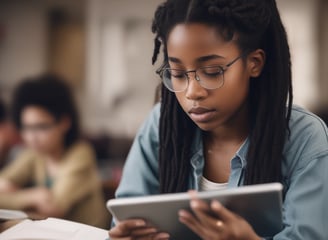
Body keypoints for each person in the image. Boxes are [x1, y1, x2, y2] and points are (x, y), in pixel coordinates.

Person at [108, 0, 328, 239]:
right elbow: (123, 219)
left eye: (212, 72)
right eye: (178, 74)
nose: (192, 92)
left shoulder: (305, 140)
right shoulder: (160, 126)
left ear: (254, 63)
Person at [0, 74, 109, 228]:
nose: (32, 137)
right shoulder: (35, 155)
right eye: (27, 128)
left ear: (64, 123)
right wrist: (31, 197)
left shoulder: (81, 154)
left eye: (41, 127)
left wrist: (14, 195)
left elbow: (54, 208)